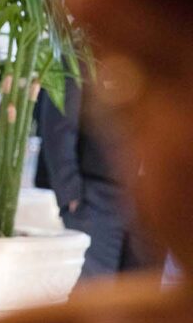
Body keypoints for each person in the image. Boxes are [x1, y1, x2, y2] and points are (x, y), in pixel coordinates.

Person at [36, 75, 159, 283]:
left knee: (142, 296)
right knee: (93, 295)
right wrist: (70, 193)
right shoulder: (84, 51)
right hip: (95, 197)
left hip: (151, 202)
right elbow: (59, 124)